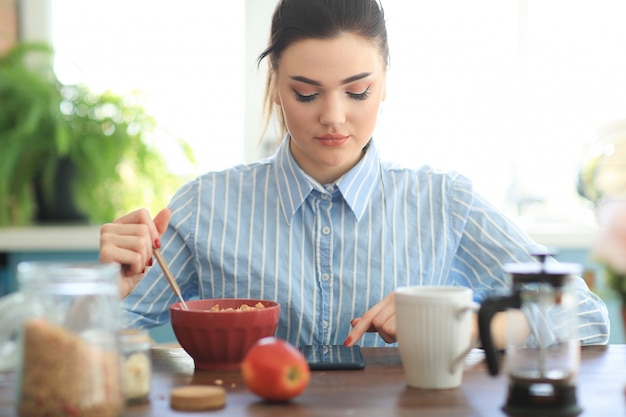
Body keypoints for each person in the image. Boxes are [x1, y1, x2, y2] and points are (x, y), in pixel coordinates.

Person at [99, 0, 609, 348]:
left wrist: (461, 326)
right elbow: (92, 342)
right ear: (275, 86)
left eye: (357, 91)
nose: (334, 116)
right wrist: (105, 291)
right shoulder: (205, 205)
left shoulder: (444, 201)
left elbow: (585, 318)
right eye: (306, 92)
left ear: (385, 82)